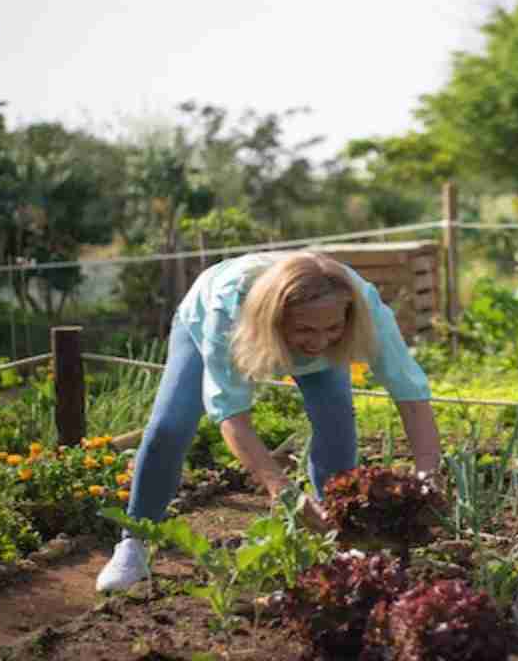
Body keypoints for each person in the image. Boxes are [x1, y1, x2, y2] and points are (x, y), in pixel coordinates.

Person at [96, 250, 442, 592]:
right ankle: (134, 543)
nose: (320, 341)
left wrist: (428, 475)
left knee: (336, 422)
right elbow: (231, 414)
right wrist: (282, 490)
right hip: (214, 320)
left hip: (306, 331)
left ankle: (337, 535)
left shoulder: (362, 307)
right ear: (276, 318)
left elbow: (410, 395)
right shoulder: (226, 313)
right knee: (170, 428)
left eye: (333, 328)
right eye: (305, 329)